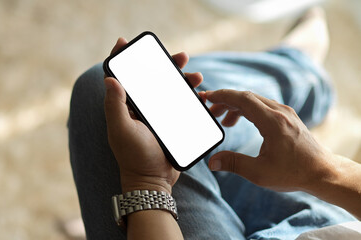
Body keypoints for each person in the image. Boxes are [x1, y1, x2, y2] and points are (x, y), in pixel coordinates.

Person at [68, 8, 361, 239]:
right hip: (335, 225)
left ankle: (297, 68)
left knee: (100, 92)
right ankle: (301, 71)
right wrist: (324, 170)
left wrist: (146, 184)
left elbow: (147, 177)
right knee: (225, 121)